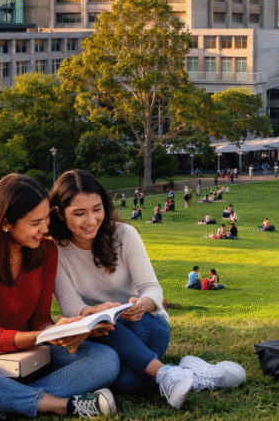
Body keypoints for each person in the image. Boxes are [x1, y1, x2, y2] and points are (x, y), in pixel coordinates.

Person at [48, 170, 246, 409]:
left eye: (97, 209)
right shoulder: (54, 251)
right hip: (100, 335)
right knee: (130, 381)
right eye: (79, 214)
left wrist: (143, 304)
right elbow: (71, 308)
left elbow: (152, 288)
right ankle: (182, 374)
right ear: (59, 214)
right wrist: (97, 311)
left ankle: (165, 373)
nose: (91, 220)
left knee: (113, 331)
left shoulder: (124, 235)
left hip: (147, 326)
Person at [0, 173, 120, 419]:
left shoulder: (46, 251)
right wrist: (46, 335)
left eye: (46, 219)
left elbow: (39, 318)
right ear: (5, 223)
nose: (45, 229)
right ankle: (61, 405)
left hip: (31, 348)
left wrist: (61, 331)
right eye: (35, 223)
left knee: (105, 359)